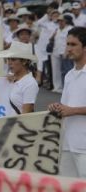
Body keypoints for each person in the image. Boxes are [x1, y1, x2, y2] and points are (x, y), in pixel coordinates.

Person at [48, 27, 86, 178]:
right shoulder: (69, 75)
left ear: (85, 47)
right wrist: (57, 107)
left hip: (84, 147)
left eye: (73, 44)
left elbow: (71, 109)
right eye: (67, 44)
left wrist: (73, 111)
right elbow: (66, 106)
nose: (68, 48)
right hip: (67, 144)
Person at [0, 41, 39, 114]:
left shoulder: (30, 83)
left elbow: (26, 113)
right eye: (8, 59)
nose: (9, 62)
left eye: (13, 59)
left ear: (24, 62)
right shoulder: (10, 77)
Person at [51, 15, 74, 93]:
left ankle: (69, 88)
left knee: (68, 70)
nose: (60, 22)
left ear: (65, 21)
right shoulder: (57, 29)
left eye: (62, 21)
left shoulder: (69, 28)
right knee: (58, 71)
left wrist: (66, 51)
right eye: (59, 21)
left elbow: (69, 42)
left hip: (66, 53)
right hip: (56, 52)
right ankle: (58, 87)